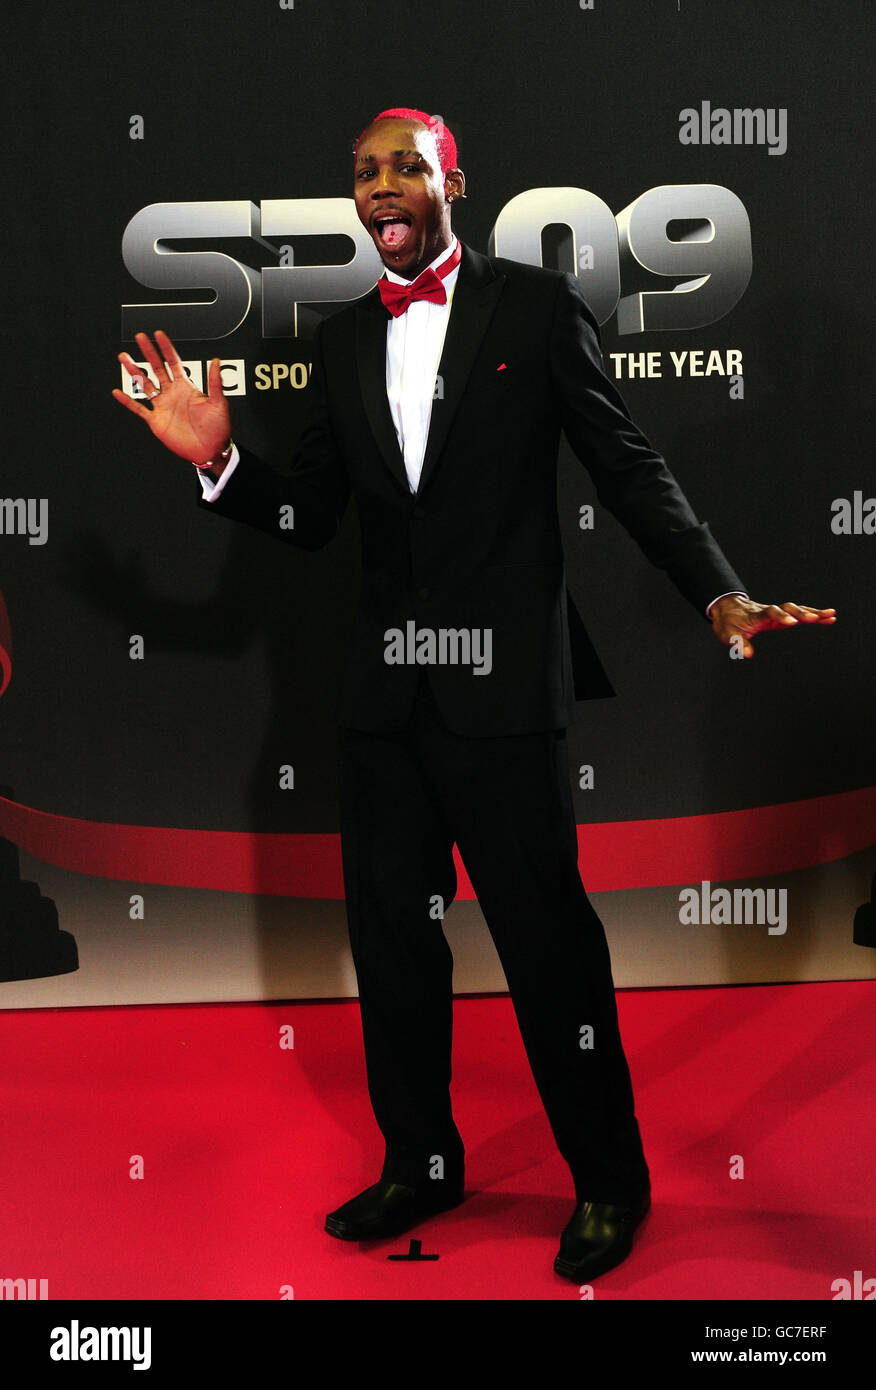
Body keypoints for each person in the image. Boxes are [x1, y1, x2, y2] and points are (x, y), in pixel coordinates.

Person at [113, 107, 835, 1282]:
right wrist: (217, 462)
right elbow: (308, 521)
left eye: (406, 166)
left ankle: (610, 1179)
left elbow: (628, 465)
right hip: (383, 707)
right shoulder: (339, 339)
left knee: (551, 950)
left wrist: (719, 594)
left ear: (455, 180)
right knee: (394, 950)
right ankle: (422, 1161)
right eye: (364, 172)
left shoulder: (538, 310)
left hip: (504, 696)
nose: (383, 186)